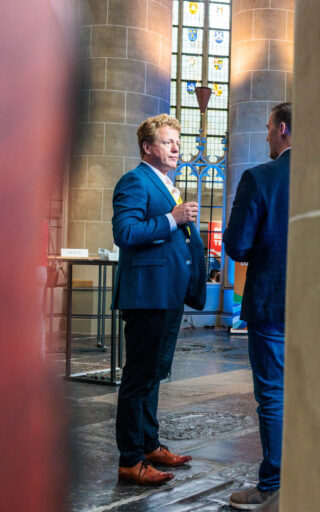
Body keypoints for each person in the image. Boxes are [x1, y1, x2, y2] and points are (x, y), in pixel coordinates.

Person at [111, 114, 206, 485]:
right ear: (147, 147)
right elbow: (125, 232)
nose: (175, 147)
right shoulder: (134, 181)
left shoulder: (165, 183)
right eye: (168, 142)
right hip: (147, 295)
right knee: (138, 378)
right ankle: (130, 459)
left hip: (167, 293)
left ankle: (149, 444)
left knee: (153, 375)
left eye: (177, 142)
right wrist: (172, 217)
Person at [224, 102, 291, 510]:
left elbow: (236, 244)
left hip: (271, 303)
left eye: (268, 128)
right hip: (318, 303)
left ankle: (272, 486)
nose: (266, 135)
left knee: (273, 394)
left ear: (282, 129)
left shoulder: (260, 178)